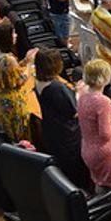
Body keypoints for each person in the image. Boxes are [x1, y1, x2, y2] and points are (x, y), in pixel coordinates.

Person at [33, 49, 88, 189]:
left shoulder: (39, 81)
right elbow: (73, 111)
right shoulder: (57, 88)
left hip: (52, 130)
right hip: (67, 134)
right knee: (74, 168)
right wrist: (80, 93)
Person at [76, 59, 111, 193]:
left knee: (99, 182)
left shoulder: (82, 95)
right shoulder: (102, 101)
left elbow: (94, 117)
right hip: (103, 153)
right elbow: (105, 134)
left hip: (87, 150)